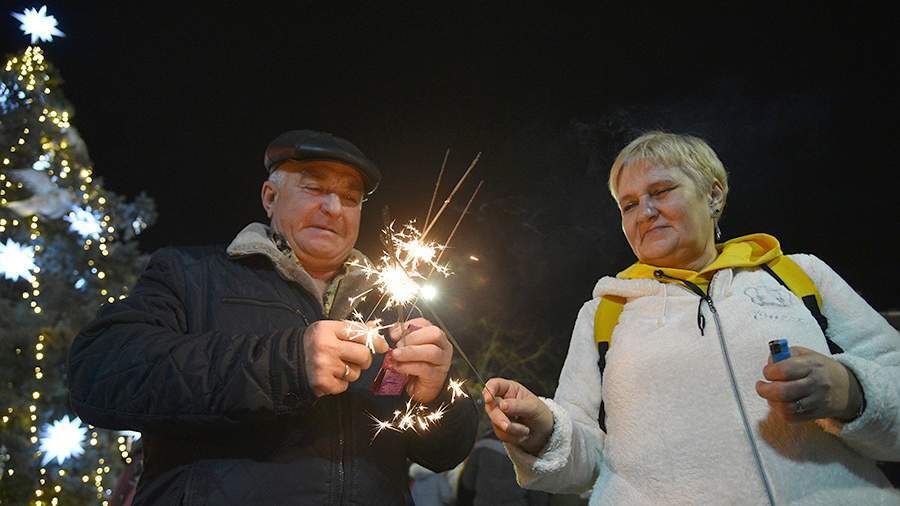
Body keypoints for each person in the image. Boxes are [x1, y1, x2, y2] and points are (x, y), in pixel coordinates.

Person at [483, 132, 900, 505]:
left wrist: (852, 392)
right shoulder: (604, 313)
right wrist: (546, 430)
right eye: (628, 205)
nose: (644, 212)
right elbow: (587, 459)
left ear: (714, 195)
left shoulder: (799, 276)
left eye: (661, 191)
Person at [68, 130, 478, 505]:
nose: (333, 207)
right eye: (314, 187)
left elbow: (445, 453)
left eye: (350, 198)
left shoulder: (391, 308)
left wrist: (437, 396)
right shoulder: (192, 275)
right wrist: (284, 365)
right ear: (269, 197)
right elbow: (98, 373)